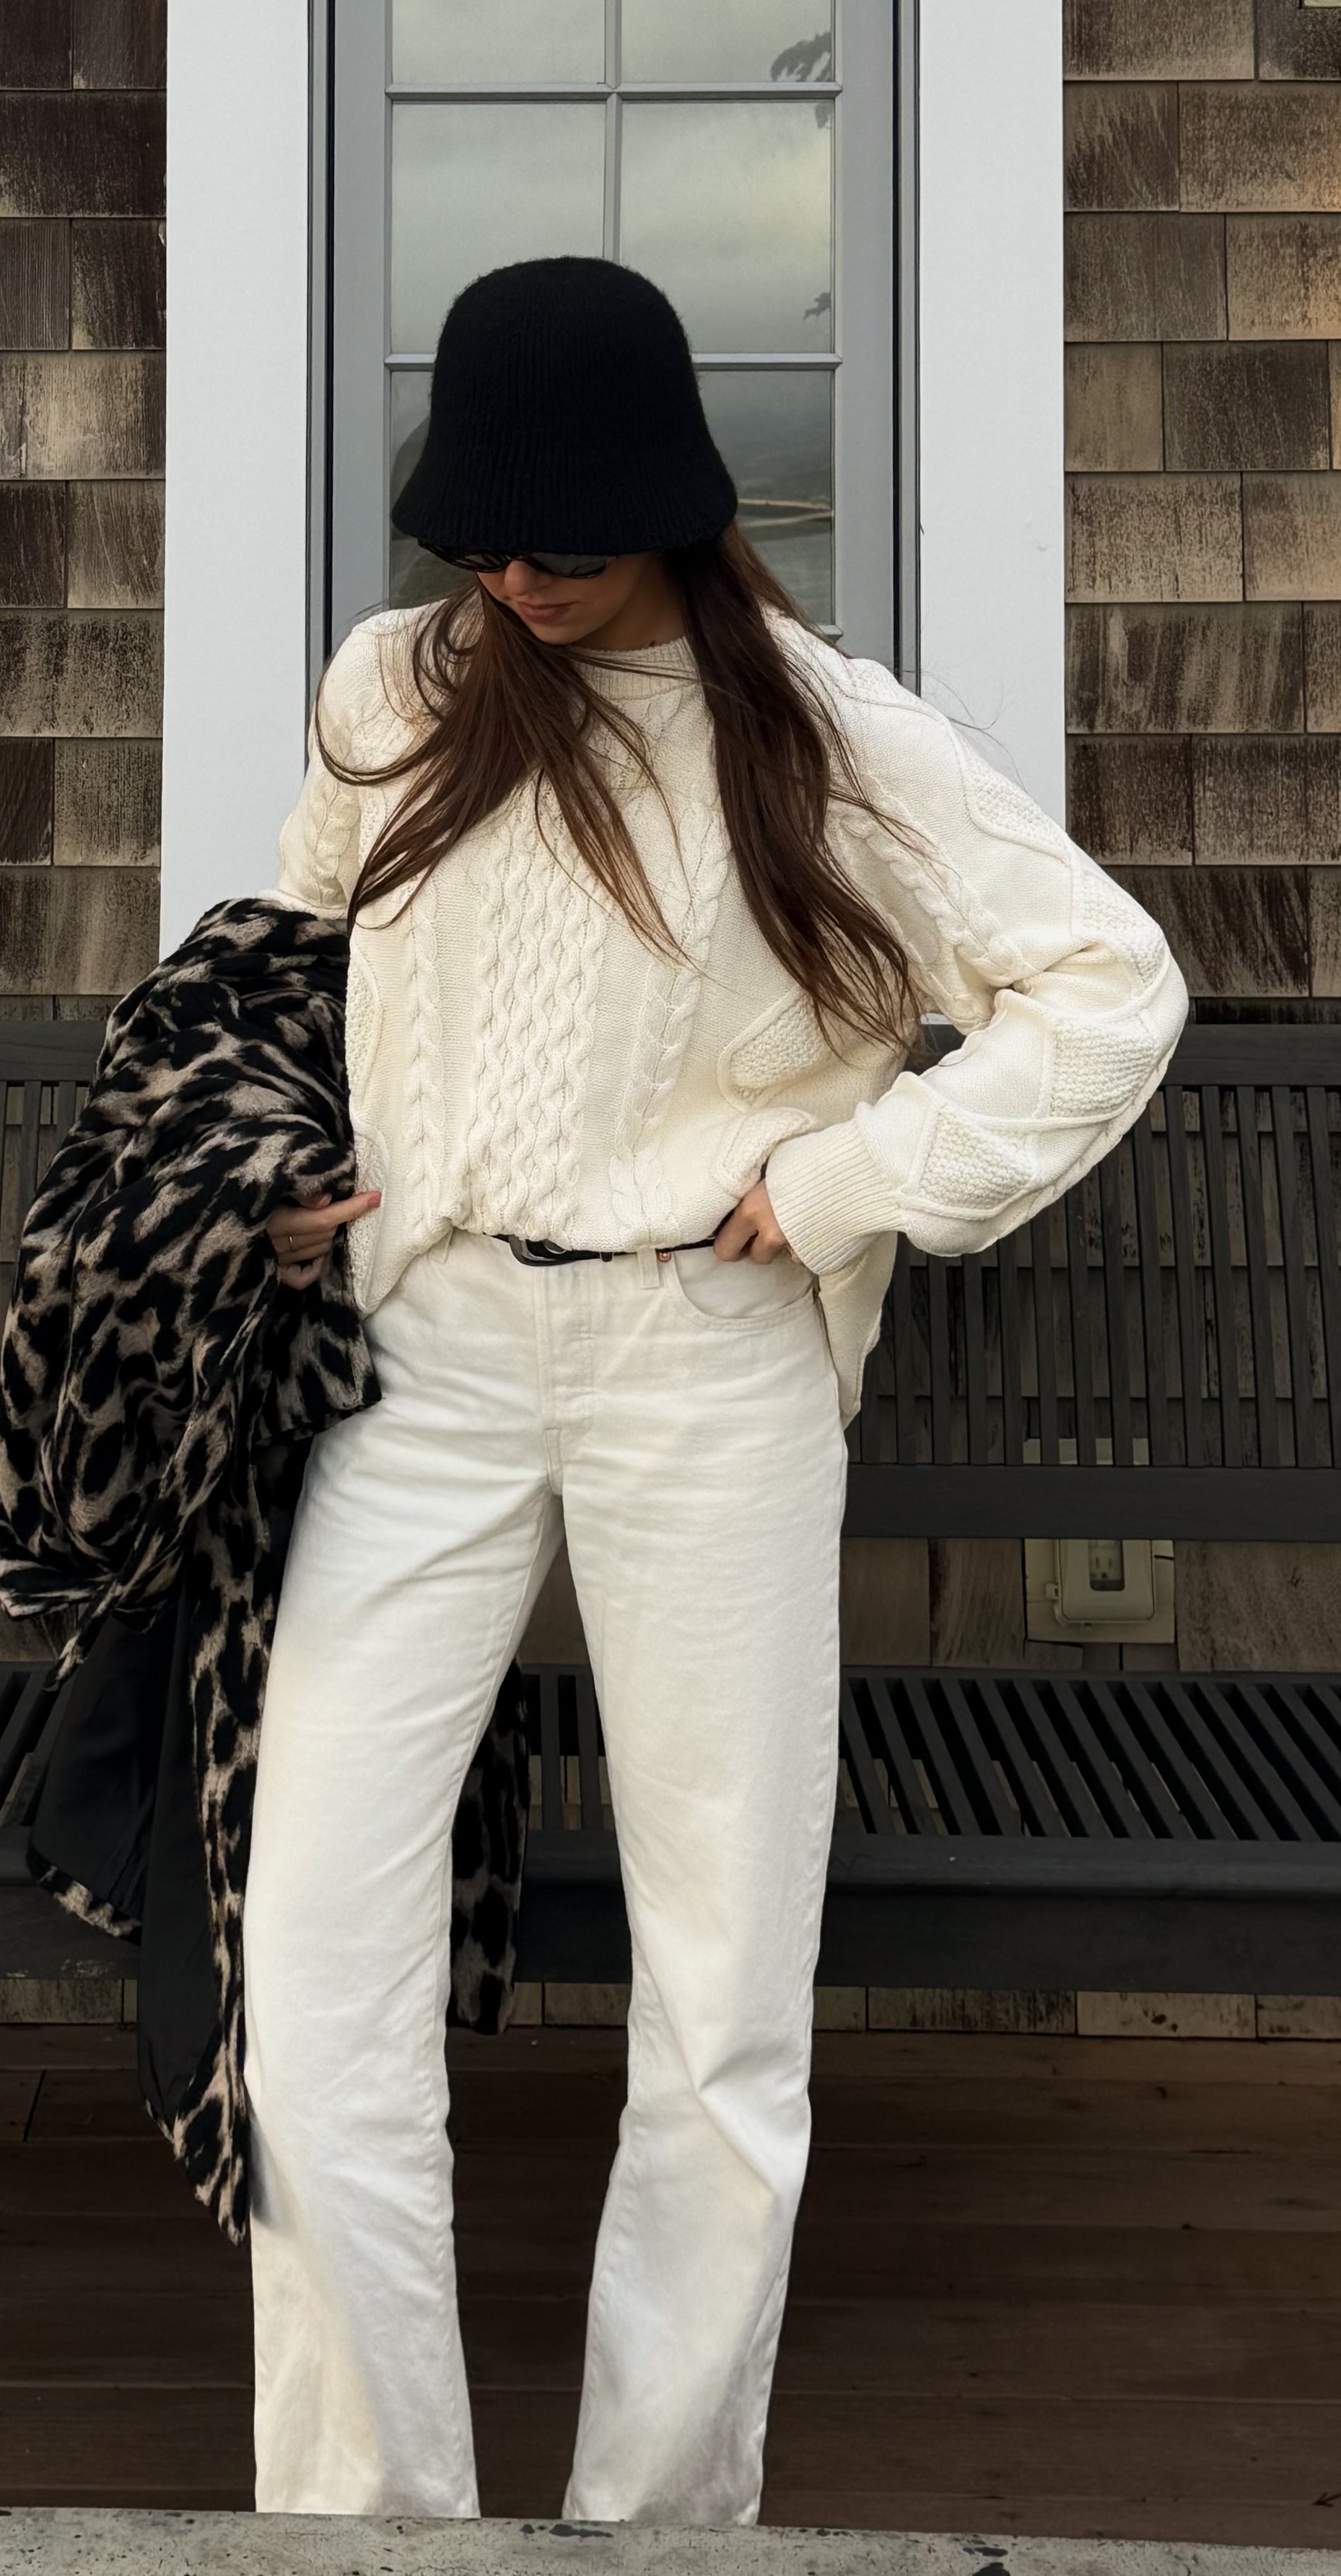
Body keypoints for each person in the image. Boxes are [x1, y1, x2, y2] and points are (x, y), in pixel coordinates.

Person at [243, 253, 1189, 2526]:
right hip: (430, 1351)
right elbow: (286, 972)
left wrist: (853, 1178)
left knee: (722, 1988)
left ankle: (659, 2526)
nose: (517, 577)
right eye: (483, 534)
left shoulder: (820, 730)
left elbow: (1109, 983)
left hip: (707, 1354)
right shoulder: (391, 689)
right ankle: (367, 2523)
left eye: (563, 541)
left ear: (669, 503)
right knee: (315, 1955)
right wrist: (276, 1169)